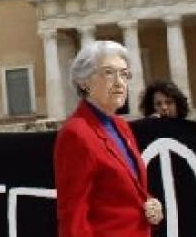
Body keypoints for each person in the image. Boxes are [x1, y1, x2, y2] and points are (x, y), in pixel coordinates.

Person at [54, 40, 163, 236]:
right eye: (109, 72)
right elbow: (73, 216)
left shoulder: (120, 126)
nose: (120, 82)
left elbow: (119, 190)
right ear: (84, 82)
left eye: (124, 74)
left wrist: (148, 203)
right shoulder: (76, 133)